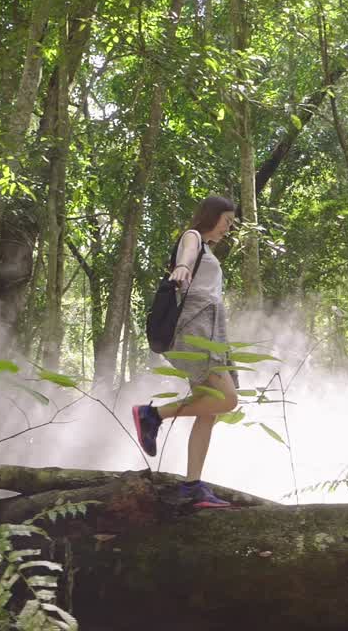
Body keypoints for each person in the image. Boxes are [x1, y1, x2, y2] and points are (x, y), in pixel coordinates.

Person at [132, 196, 239, 508]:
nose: (228, 228)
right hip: (197, 326)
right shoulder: (194, 237)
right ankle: (151, 414)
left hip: (211, 328)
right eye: (226, 220)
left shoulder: (210, 248)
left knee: (210, 410)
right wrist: (181, 267)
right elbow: (187, 253)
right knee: (228, 399)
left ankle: (192, 486)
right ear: (212, 215)